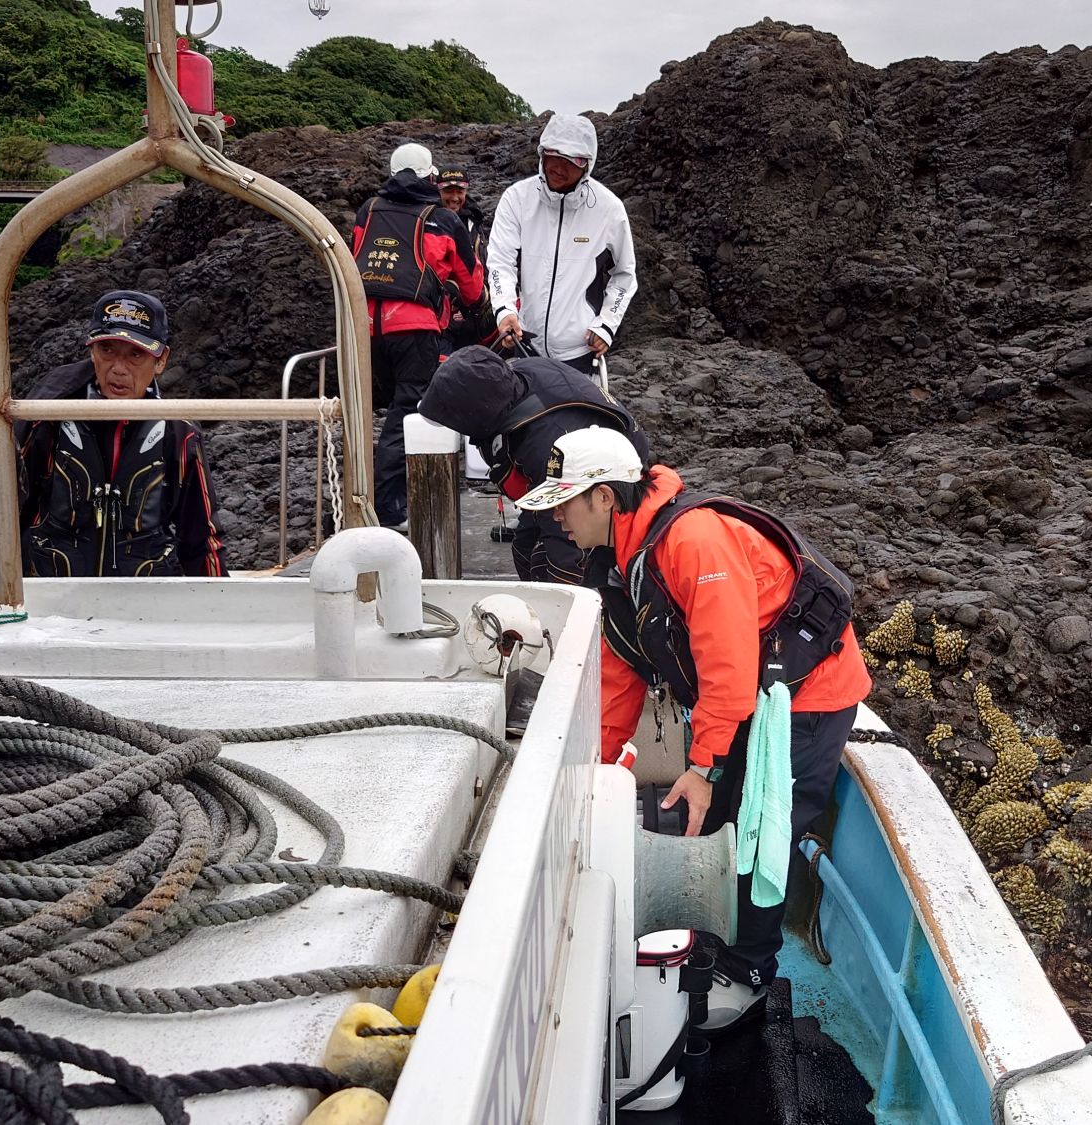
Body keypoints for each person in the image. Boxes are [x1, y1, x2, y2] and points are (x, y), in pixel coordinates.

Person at [514, 427, 871, 1031]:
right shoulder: (620, 560)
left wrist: (703, 767)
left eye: (563, 502)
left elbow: (728, 666)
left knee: (760, 829)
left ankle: (750, 970)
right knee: (729, 817)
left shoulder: (693, 542)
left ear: (605, 496)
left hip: (806, 701)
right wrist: (590, 777)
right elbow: (622, 668)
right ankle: (724, 940)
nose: (556, 518)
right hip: (748, 700)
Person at [19, 290, 226, 577]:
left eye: (136, 354)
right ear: (92, 351)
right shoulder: (48, 418)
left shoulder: (179, 433)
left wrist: (217, 608)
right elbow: (11, 513)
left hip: (145, 600)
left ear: (161, 360)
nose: (118, 369)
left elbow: (201, 539)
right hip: (54, 599)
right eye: (107, 350)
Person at [418, 345, 650, 583]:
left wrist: (559, 598)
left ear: (473, 413)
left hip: (609, 480)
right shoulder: (514, 377)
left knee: (555, 559)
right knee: (523, 546)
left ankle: (587, 603)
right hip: (569, 460)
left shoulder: (546, 443)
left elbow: (562, 539)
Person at [351, 142, 485, 529]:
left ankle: (370, 493)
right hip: (414, 328)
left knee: (381, 410)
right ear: (431, 176)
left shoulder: (368, 210)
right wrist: (474, 308)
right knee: (407, 414)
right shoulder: (442, 219)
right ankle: (387, 509)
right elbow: (470, 279)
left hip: (366, 327)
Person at [486, 113, 638, 378]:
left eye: (572, 160)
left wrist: (607, 325)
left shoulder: (609, 209)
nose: (559, 166)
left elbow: (625, 275)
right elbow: (500, 260)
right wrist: (504, 310)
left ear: (587, 164)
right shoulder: (517, 199)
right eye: (553, 155)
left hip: (579, 354)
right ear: (542, 152)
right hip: (525, 345)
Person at [436, 167, 496, 351]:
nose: (454, 198)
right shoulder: (430, 221)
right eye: (448, 191)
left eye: (459, 191)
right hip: (442, 310)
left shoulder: (473, 219)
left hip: (475, 306)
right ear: (437, 190)